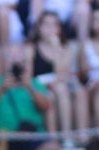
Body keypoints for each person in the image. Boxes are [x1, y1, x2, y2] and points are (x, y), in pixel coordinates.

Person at [30, 10, 87, 139]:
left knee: (78, 91)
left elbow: (61, 72)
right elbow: (29, 74)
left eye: (54, 25)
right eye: (46, 24)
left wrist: (56, 47)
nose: (50, 29)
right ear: (39, 27)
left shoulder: (67, 48)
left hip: (60, 82)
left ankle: (82, 136)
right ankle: (59, 137)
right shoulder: (32, 47)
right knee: (59, 90)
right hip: (40, 85)